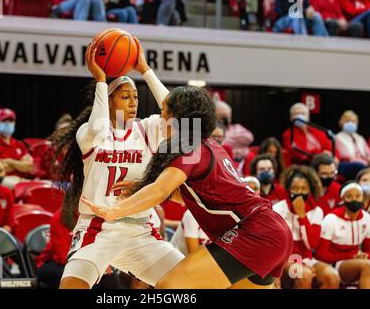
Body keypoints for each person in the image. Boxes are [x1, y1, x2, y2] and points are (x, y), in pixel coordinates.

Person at [82, 85, 293, 289]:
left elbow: (159, 191)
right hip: (273, 231)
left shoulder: (189, 150)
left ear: (176, 120)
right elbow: (193, 196)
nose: (160, 120)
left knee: (170, 286)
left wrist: (114, 211)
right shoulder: (209, 146)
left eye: (164, 114)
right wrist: (140, 188)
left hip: (255, 233)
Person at [51, 39, 184, 289]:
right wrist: (100, 80)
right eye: (125, 97)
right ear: (109, 101)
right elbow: (100, 126)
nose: (134, 102)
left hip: (140, 229)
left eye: (135, 96)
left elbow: (182, 119)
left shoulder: (147, 129)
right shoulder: (87, 133)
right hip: (98, 228)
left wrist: (145, 70)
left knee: (191, 283)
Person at [274, 165, 339, 289]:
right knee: (304, 274)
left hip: (307, 259)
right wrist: (299, 263)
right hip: (283, 261)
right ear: (288, 189)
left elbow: (312, 244)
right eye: (295, 188)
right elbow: (275, 245)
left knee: (332, 276)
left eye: (303, 189)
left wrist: (302, 215)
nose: (299, 192)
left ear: (310, 190)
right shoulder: (278, 209)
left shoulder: (316, 211)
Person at [315, 182, 370, 289]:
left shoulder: (367, 218)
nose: (354, 199)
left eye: (357, 196)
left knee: (368, 264)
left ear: (362, 198)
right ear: (343, 199)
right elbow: (321, 255)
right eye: (349, 196)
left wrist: (365, 256)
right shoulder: (331, 219)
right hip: (334, 263)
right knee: (368, 266)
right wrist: (351, 256)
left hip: (356, 260)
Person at [0, 108, 34, 189]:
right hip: (2, 181)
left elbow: (29, 166)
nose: (8, 124)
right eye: (4, 121)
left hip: (23, 180)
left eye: (11, 121)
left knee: (50, 186)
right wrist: (20, 164)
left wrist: (10, 161)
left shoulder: (20, 144)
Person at [214, 100, 254, 171]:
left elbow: (249, 138)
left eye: (227, 116)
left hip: (244, 160)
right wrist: (236, 139)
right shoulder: (214, 131)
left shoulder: (237, 127)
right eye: (221, 116)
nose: (224, 119)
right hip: (224, 161)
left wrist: (226, 139)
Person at [335, 110, 370, 180]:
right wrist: (365, 162)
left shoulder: (359, 138)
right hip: (347, 164)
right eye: (347, 121)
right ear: (342, 122)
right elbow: (345, 155)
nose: (350, 123)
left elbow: (368, 152)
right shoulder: (338, 138)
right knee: (359, 166)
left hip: (363, 163)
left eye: (353, 121)